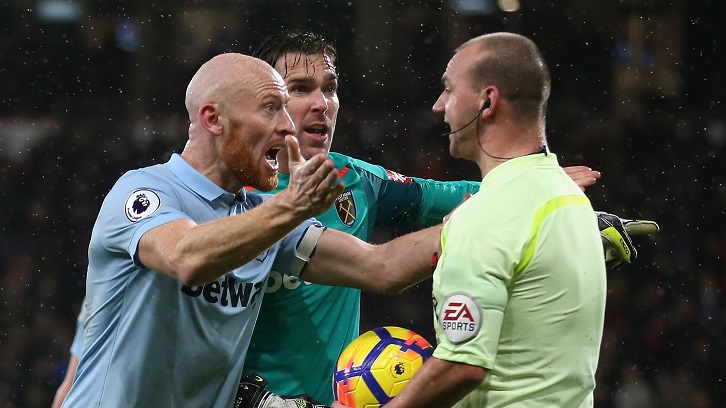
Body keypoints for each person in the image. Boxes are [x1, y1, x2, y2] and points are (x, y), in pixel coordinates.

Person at [241, 30, 605, 405]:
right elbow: (382, 268)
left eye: (330, 88)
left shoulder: (355, 180)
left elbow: (468, 192)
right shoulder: (231, 203)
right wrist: (522, 199)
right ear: (266, 102)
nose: (322, 103)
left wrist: (548, 202)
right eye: (301, 89)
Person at [59, 52, 443, 408]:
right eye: (271, 108)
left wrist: (478, 220)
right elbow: (187, 257)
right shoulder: (144, 190)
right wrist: (291, 206)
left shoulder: (262, 216)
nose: (287, 126)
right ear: (213, 119)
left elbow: (381, 268)